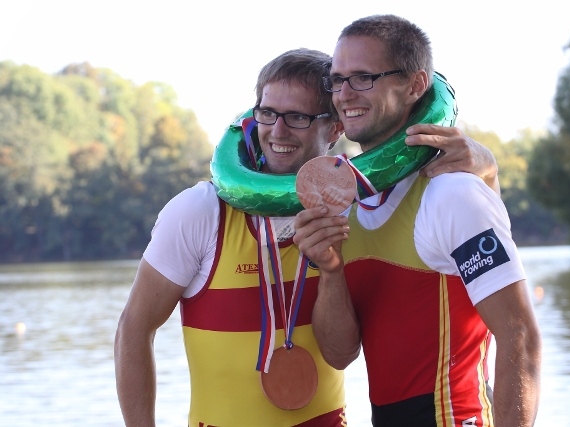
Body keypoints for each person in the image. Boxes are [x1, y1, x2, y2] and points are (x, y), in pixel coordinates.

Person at [114, 47, 499, 426]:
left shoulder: (355, 212)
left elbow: (343, 354)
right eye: (268, 113)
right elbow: (134, 328)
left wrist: (489, 170)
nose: (278, 131)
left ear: (335, 127)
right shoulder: (200, 211)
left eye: (297, 117)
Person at [293, 15, 542, 427]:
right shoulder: (346, 205)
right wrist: (331, 272)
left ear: (414, 85)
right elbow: (339, 355)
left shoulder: (452, 193)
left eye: (363, 78)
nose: (344, 94)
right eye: (337, 80)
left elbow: (520, 337)